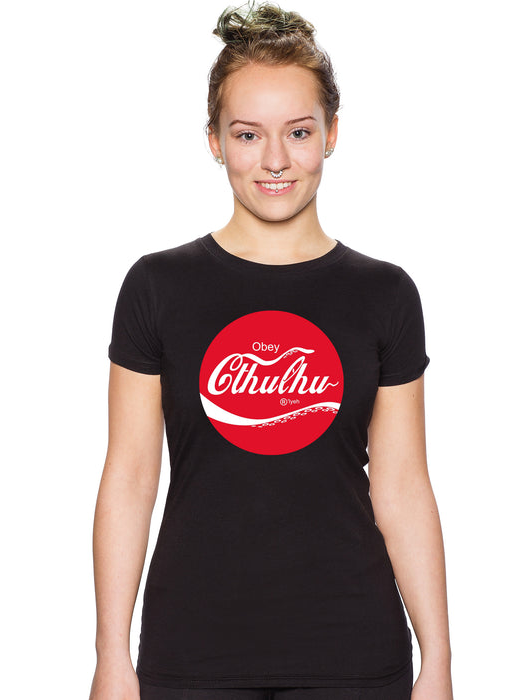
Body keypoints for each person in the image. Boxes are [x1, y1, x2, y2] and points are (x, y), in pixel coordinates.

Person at [89, 2, 454, 699]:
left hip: (354, 656)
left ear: (332, 133)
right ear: (214, 140)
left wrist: (436, 658)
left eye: (299, 132)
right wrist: (112, 654)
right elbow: (130, 477)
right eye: (249, 134)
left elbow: (403, 485)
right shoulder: (157, 287)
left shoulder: (385, 294)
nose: (276, 160)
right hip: (191, 652)